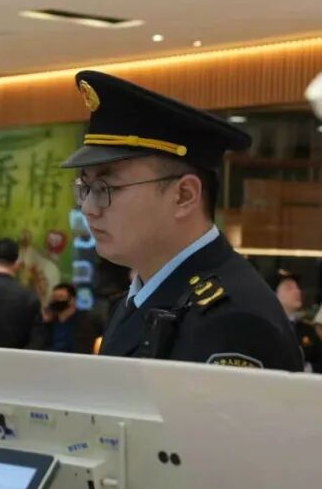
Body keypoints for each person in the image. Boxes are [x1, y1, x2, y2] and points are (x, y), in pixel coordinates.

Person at [61, 71, 301, 370]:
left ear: (184, 195)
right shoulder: (144, 296)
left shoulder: (230, 320)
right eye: (85, 188)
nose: (88, 208)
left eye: (105, 188)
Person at [270, 269, 320, 371]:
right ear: (273, 294)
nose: (297, 291)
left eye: (297, 287)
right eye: (289, 288)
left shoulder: (307, 330)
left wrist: (308, 370)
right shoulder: (267, 327)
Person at [43, 283, 103, 354]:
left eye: (60, 297)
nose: (56, 300)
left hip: (77, 358)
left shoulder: (87, 321)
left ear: (72, 300)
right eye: (54, 298)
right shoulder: (50, 322)